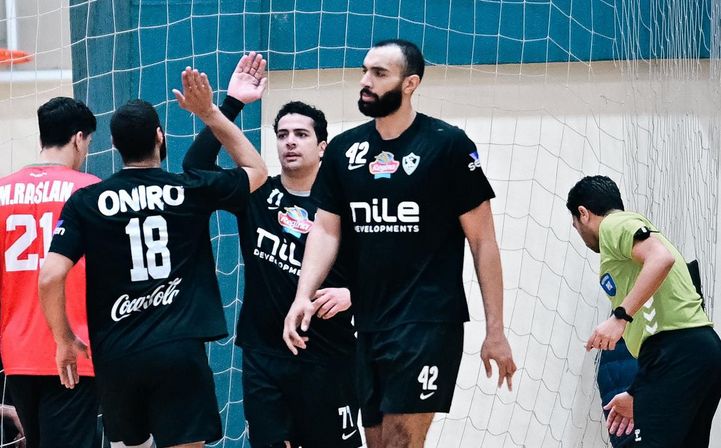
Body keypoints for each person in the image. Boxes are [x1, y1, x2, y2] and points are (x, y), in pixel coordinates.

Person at [282, 39, 516, 448]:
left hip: (428, 322)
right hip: (369, 322)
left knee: (402, 441)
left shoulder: (448, 145)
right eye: (364, 71)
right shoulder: (343, 150)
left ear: (410, 84)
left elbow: (483, 241)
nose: (365, 81)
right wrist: (303, 295)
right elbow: (325, 230)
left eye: (379, 74)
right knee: (377, 442)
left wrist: (495, 330)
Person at [38, 68, 267, 448]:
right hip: (179, 350)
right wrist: (211, 112)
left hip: (117, 355)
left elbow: (49, 277)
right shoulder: (189, 189)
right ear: (160, 136)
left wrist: (63, 339)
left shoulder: (85, 201)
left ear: (114, 144)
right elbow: (256, 170)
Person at [182, 52, 361, 448]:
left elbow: (383, 269)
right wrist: (231, 104)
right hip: (264, 354)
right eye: (282, 135)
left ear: (323, 147)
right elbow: (196, 166)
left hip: (327, 354)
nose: (290, 141)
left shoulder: (343, 205)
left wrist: (354, 294)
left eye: (301, 134)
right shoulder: (258, 192)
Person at [567, 175, 721, 447]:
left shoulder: (613, 224)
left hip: (675, 351)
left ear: (584, 213)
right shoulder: (626, 242)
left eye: (575, 224)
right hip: (697, 351)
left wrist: (620, 317)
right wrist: (638, 391)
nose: (578, 232)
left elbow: (661, 259)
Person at [0, 97, 100, 448]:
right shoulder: (90, 190)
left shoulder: (2, 191)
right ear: (78, 138)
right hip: (73, 351)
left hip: (17, 355)